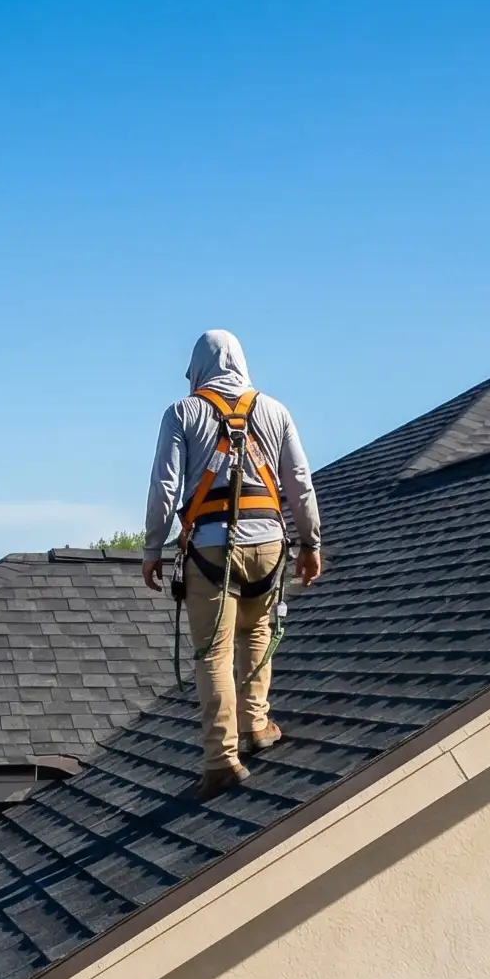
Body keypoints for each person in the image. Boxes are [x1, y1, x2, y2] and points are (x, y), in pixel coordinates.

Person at [143, 329, 322, 801]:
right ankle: (258, 724)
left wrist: (151, 549)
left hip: (209, 546)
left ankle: (222, 760)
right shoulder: (275, 410)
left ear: (198, 368)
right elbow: (299, 482)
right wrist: (311, 543)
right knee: (258, 630)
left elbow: (165, 486)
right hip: (269, 543)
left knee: (213, 652)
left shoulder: (183, 412)